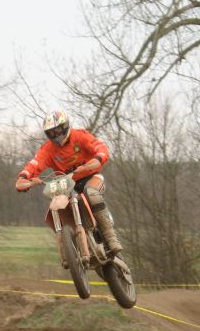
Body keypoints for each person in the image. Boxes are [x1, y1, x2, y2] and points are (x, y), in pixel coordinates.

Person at [14, 109, 123, 254]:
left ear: (65, 126)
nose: (55, 135)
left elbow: (100, 147)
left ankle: (111, 237)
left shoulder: (80, 136)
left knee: (91, 193)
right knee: (56, 205)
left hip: (90, 176)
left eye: (57, 130)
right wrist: (24, 177)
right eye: (51, 133)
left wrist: (98, 158)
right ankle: (72, 245)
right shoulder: (48, 149)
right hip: (66, 182)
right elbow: (34, 164)